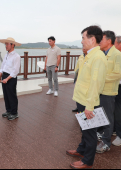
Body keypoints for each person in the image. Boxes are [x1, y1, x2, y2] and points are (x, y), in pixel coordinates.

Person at [66, 26, 107, 169]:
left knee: (90, 133)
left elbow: (96, 84)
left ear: (92, 39)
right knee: (84, 129)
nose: (82, 41)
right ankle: (81, 150)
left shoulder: (98, 57)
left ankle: (87, 160)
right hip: (82, 100)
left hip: (89, 103)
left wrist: (90, 107)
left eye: (83, 38)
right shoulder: (88, 55)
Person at [96, 31, 121, 153]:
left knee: (108, 117)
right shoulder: (102, 53)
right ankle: (102, 135)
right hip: (99, 90)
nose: (100, 42)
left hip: (109, 91)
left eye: (101, 39)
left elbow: (117, 74)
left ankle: (106, 142)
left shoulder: (117, 54)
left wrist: (100, 78)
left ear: (109, 41)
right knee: (100, 114)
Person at [0, 37, 21, 121]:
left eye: (7, 44)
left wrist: (7, 79)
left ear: (12, 45)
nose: (5, 46)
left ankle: (14, 113)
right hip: (4, 76)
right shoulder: (6, 55)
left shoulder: (16, 56)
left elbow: (15, 71)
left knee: (12, 95)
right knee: (6, 95)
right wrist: (0, 75)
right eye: (5, 44)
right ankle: (9, 110)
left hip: (11, 78)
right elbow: (3, 66)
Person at [112, 36, 121, 146]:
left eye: (114, 43)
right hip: (116, 86)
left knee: (118, 111)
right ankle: (114, 130)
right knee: (115, 110)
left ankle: (119, 135)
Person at [72, 48, 88, 113]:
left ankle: (83, 108)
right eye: (83, 47)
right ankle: (78, 107)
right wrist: (75, 75)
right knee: (78, 93)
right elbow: (77, 67)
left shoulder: (90, 57)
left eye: (85, 47)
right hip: (79, 77)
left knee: (84, 94)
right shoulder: (81, 56)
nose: (83, 49)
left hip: (85, 79)